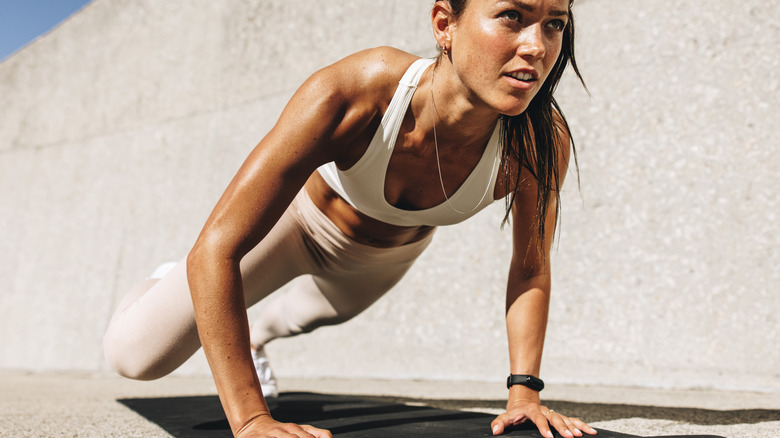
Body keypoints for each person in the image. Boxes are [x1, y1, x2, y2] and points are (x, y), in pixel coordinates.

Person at [103, 0, 597, 437]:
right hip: (297, 227)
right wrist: (252, 420)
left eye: (555, 24)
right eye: (513, 16)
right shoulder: (357, 91)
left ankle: (253, 336)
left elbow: (530, 268)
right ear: (445, 24)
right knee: (135, 357)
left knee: (306, 317)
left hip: (384, 258)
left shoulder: (538, 143)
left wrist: (524, 395)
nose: (536, 46)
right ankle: (166, 283)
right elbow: (218, 246)